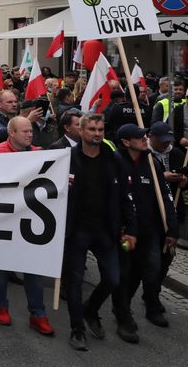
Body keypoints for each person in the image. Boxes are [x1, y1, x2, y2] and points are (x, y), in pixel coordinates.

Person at [64, 113, 137, 352]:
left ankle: (90, 309)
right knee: (74, 284)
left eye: (100, 130)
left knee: (113, 279)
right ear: (81, 132)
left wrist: (130, 229)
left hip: (106, 230)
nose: (97, 134)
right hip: (76, 231)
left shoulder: (113, 159)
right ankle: (77, 330)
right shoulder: (67, 159)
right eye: (92, 129)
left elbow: (126, 197)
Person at [0, 116, 56, 336]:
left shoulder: (39, 155)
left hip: (30, 222)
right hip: (2, 221)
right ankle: (1, 307)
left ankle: (38, 314)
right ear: (11, 133)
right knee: (0, 269)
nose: (29, 134)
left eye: (31, 131)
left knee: (33, 270)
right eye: (24, 131)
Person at [112, 124, 178, 341]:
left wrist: (171, 228)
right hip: (125, 232)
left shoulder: (151, 162)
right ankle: (123, 314)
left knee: (151, 269)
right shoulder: (115, 163)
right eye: (139, 137)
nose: (144, 139)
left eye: (144, 136)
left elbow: (165, 197)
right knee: (125, 274)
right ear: (126, 142)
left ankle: (151, 304)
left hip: (149, 231)